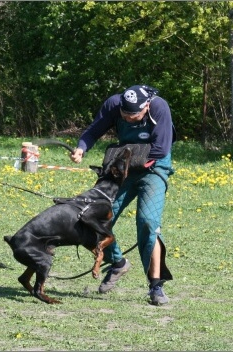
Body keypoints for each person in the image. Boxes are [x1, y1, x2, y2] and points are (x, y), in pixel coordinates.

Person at [70, 84, 176, 305]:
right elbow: (94, 130)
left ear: (146, 106)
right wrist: (82, 147)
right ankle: (117, 262)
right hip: (124, 166)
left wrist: (131, 163)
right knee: (93, 219)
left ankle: (156, 286)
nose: (128, 119)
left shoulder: (159, 107)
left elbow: (161, 147)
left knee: (148, 221)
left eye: (134, 116)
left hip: (154, 166)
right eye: (124, 115)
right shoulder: (113, 104)